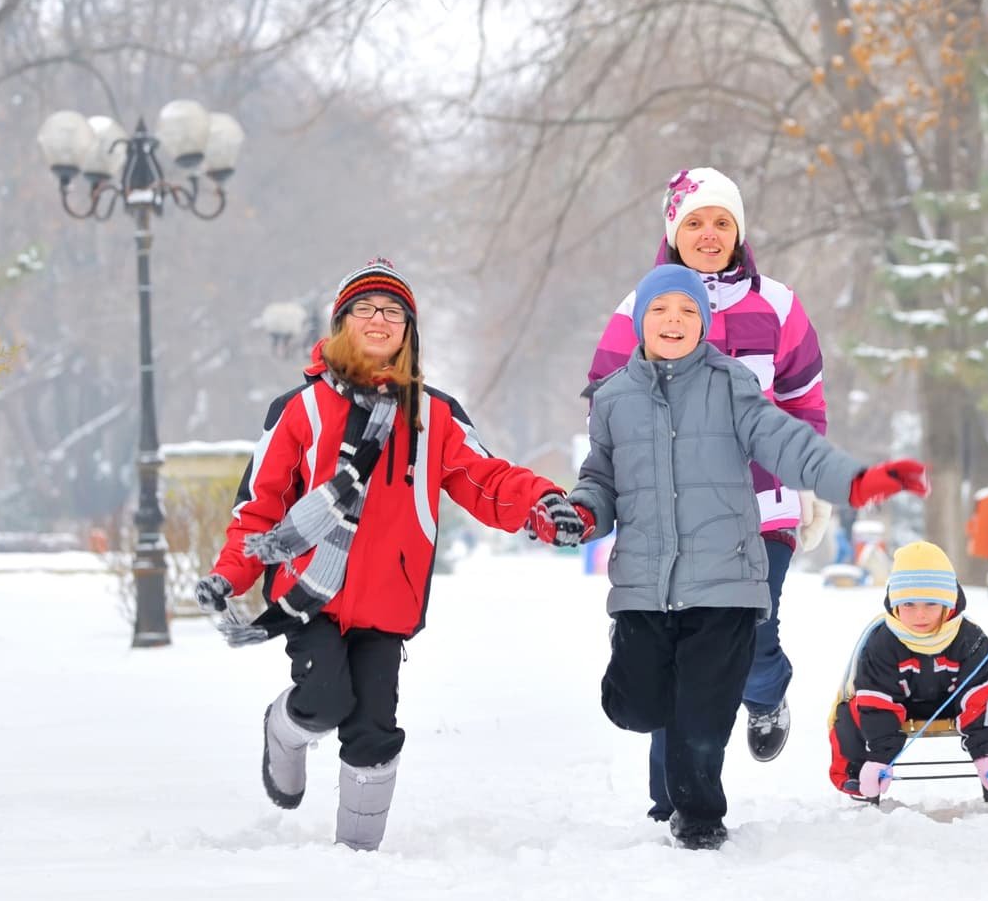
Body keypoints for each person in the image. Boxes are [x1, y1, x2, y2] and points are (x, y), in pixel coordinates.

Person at [193, 259, 580, 851]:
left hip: (388, 605)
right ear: (342, 322)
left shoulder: (435, 415)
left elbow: (486, 479)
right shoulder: (300, 409)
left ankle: (356, 862)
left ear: (409, 331)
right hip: (311, 596)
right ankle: (286, 729)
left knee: (375, 731)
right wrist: (229, 576)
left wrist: (542, 506)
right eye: (366, 309)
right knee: (324, 702)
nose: (380, 320)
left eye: (393, 311)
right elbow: (260, 507)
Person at [555, 264, 929, 850]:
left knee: (702, 719)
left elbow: (787, 441)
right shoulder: (613, 399)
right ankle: (652, 706)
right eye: (660, 311)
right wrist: (580, 514)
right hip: (646, 585)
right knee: (637, 705)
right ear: (639, 322)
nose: (673, 321)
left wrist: (852, 481)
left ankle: (700, 819)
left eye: (686, 311)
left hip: (726, 579)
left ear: (702, 322)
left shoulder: (730, 384)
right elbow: (600, 479)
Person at [585, 166, 831, 814]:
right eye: (695, 221)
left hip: (760, 506)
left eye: (722, 221)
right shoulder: (638, 307)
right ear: (673, 231)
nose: (709, 233)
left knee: (752, 635)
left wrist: (809, 483)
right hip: (671, 515)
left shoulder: (776, 304)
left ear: (739, 231)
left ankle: (766, 688)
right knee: (677, 651)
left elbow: (804, 397)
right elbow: (607, 402)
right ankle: (673, 799)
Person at [826, 541, 988, 804]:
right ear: (895, 605)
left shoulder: (969, 638)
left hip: (957, 706)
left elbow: (982, 693)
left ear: (948, 602)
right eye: (908, 604)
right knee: (849, 710)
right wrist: (880, 757)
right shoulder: (882, 642)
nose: (920, 615)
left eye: (931, 604)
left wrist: (985, 754)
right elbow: (876, 698)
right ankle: (858, 773)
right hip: (898, 707)